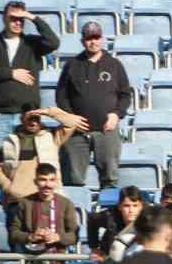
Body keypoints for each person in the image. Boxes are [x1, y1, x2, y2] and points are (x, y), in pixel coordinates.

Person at [0, 2, 59, 181]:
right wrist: (11, 73)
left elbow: (54, 42)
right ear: (4, 18)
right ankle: (0, 202)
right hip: (0, 114)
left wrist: (33, 17)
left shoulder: (32, 43)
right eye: (13, 19)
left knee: (28, 163)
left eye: (21, 19)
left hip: (27, 114)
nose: (17, 23)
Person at [56, 22, 133, 188]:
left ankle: (108, 212)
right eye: (89, 38)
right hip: (76, 132)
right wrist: (70, 117)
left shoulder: (114, 64)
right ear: (82, 41)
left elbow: (125, 95)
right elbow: (61, 96)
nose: (93, 42)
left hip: (107, 130)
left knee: (109, 180)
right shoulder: (72, 65)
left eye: (96, 37)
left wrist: (116, 114)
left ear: (102, 39)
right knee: (72, 180)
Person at [5, 163, 78, 264]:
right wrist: (30, 236)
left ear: (56, 182)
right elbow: (13, 234)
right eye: (43, 180)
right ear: (35, 181)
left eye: (51, 180)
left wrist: (57, 237)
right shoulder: (24, 203)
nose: (47, 184)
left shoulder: (66, 204)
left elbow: (74, 236)